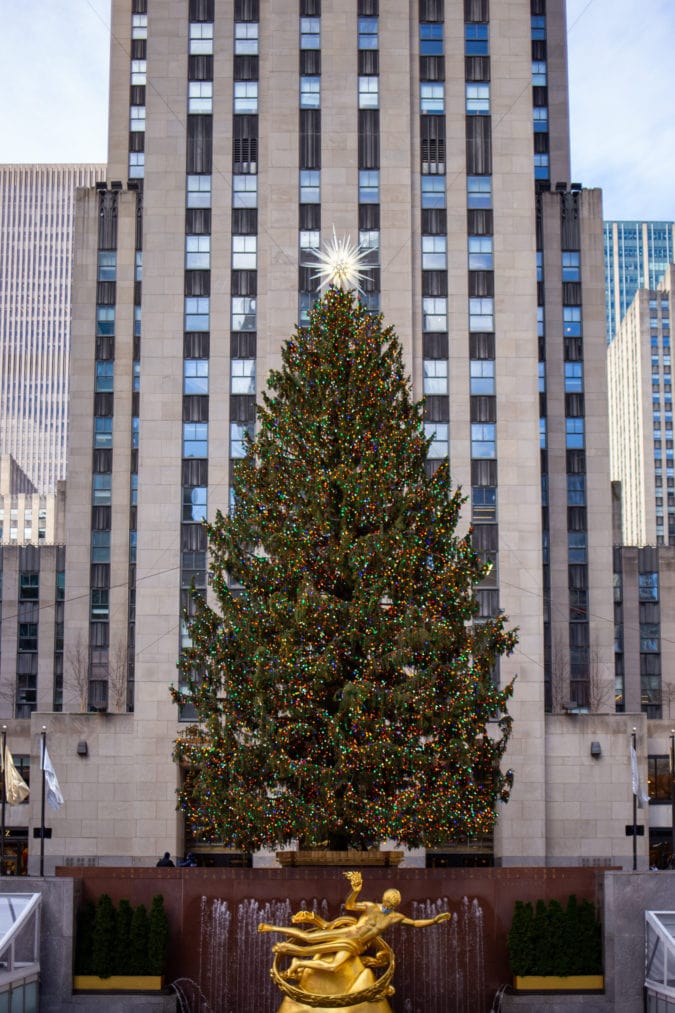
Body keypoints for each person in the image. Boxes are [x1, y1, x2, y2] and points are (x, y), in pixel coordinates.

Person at [259, 869, 450, 978]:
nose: (389, 903)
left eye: (392, 901)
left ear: (395, 903)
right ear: (384, 898)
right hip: (348, 933)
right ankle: (272, 928)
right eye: (387, 899)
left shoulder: (395, 917)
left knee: (334, 967)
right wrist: (356, 890)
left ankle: (298, 962)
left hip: (355, 945)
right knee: (308, 938)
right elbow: (349, 904)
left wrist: (434, 920)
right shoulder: (369, 906)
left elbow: (415, 923)